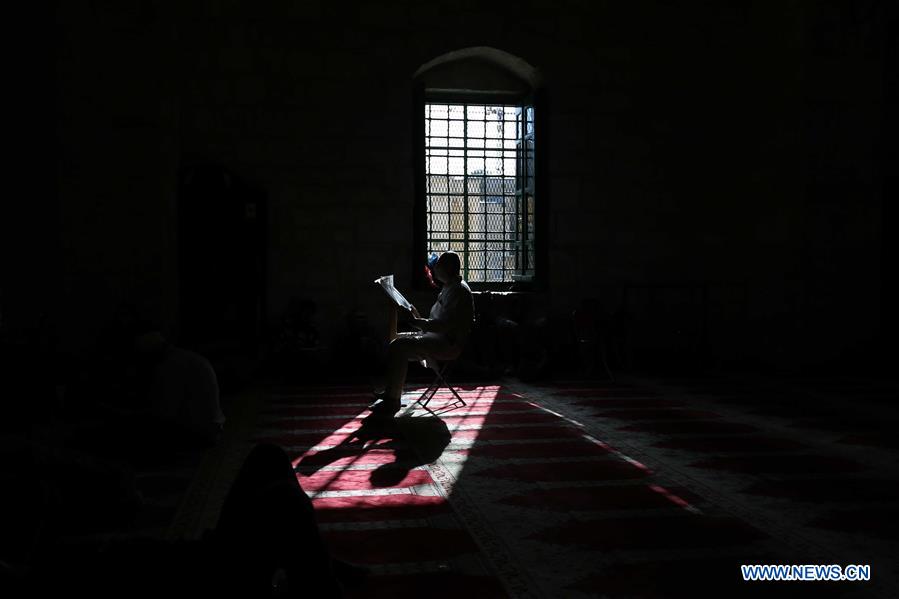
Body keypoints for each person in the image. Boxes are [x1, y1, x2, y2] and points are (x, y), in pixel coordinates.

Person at [369, 251, 475, 415]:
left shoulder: (458, 291)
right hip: (438, 338)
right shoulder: (449, 287)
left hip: (447, 344)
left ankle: (392, 400)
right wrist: (417, 316)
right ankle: (392, 391)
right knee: (396, 341)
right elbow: (438, 321)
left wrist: (418, 322)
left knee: (399, 346)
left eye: (438, 265)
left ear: (447, 268)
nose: (434, 268)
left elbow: (444, 326)